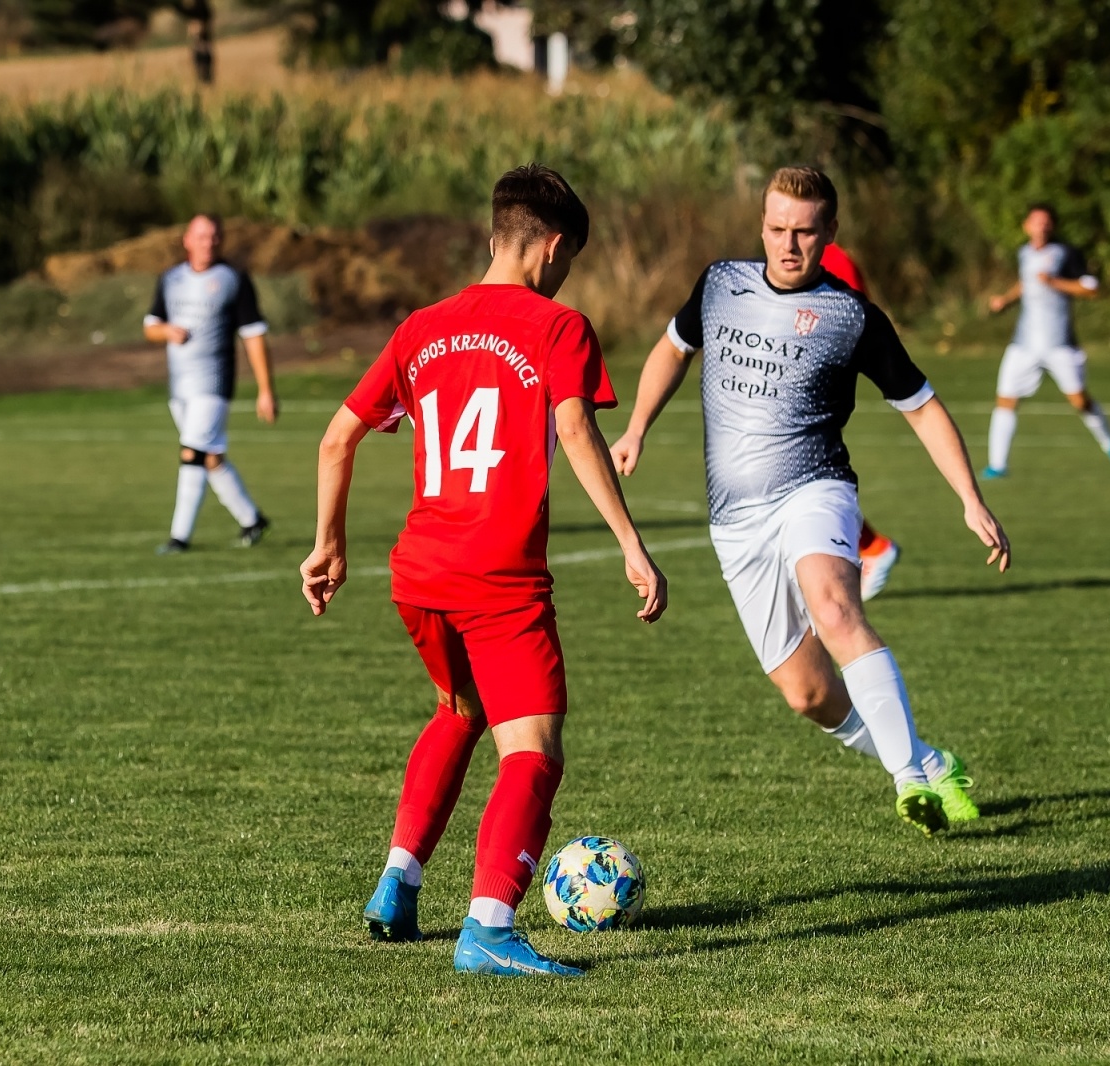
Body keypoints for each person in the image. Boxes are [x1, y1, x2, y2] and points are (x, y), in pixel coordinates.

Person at [299, 164, 667, 977]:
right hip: (498, 575)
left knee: (461, 708)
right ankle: (490, 927)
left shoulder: (421, 328)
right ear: (555, 247)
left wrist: (328, 544)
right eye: (569, 260)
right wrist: (631, 545)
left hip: (418, 571)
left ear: (495, 236)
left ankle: (397, 883)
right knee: (534, 749)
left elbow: (336, 438)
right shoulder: (558, 326)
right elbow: (574, 430)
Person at [610, 166, 1006, 835]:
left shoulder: (852, 318)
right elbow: (671, 351)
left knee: (833, 604)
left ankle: (908, 780)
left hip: (814, 487)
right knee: (808, 693)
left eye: (804, 232)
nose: (788, 245)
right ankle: (928, 761)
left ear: (830, 233)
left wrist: (969, 496)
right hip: (734, 522)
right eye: (776, 229)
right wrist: (637, 427)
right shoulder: (720, 285)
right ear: (762, 225)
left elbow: (924, 407)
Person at [143, 214, 276, 554]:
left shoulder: (233, 279)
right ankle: (252, 519)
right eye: (201, 236)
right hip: (180, 388)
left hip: (214, 384)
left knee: (192, 451)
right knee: (211, 457)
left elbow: (254, 336)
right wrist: (166, 331)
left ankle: (179, 537)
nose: (208, 243)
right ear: (187, 239)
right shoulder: (171, 278)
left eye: (214, 237)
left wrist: (265, 390)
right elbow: (150, 325)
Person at [983, 204, 1110, 478]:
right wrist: (1006, 299)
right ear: (1026, 225)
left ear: (1053, 226)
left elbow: (1091, 288)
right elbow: (1026, 283)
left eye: (1046, 222)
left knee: (1079, 402)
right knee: (1006, 400)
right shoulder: (1024, 253)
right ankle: (997, 465)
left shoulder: (1066, 254)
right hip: (1024, 343)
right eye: (1036, 222)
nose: (1041, 227)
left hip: (1059, 342)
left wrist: (1055, 282)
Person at [821, 242, 900, 601]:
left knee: (813, 478)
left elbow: (857, 314)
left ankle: (872, 547)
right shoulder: (785, 257)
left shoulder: (835, 259)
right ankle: (868, 547)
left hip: (821, 385)